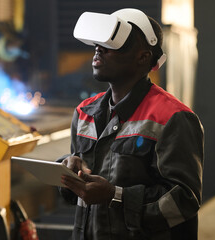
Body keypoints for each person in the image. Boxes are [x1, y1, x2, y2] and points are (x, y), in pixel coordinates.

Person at [58, 8, 204, 240]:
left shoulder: (173, 117)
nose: (99, 48)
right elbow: (76, 194)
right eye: (99, 41)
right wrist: (67, 171)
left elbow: (183, 202)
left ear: (143, 57)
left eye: (115, 43)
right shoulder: (85, 112)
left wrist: (114, 196)